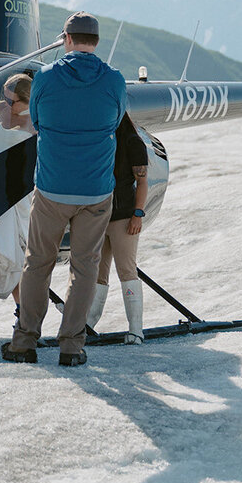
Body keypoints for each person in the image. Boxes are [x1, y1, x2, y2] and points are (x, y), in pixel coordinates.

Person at [2, 11, 126, 367]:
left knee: (38, 263)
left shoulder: (45, 77)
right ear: (96, 43)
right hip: (96, 191)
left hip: (54, 188)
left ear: (67, 39)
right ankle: (72, 346)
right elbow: (115, 121)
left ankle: (24, 342)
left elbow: (37, 121)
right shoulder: (114, 80)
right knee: (85, 267)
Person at [84, 113, 149, 344]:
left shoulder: (132, 141)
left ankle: (136, 329)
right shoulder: (100, 141)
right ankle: (89, 324)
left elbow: (142, 181)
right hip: (100, 217)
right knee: (98, 273)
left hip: (124, 217)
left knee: (126, 271)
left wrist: (137, 214)